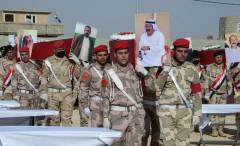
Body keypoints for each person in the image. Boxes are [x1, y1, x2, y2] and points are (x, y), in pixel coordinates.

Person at [156, 38, 202, 146]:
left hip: (184, 112)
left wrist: (197, 113)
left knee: (183, 143)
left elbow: (197, 91)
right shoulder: (164, 66)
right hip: (166, 112)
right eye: (180, 51)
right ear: (174, 51)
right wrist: (164, 72)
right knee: (167, 143)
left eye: (185, 51)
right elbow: (156, 88)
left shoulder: (191, 67)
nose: (183, 54)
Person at [102, 40, 145, 146]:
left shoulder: (137, 71)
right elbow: (105, 96)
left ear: (129, 54)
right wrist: (105, 117)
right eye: (120, 53)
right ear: (115, 55)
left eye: (125, 53)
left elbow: (152, 89)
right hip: (117, 116)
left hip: (136, 115)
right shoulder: (109, 72)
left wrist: (147, 74)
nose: (123, 56)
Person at [43, 47, 80, 126]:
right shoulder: (48, 61)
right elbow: (44, 77)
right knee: (53, 120)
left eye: (62, 49)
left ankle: (66, 138)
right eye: (59, 49)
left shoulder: (70, 61)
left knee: (66, 120)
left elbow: (77, 75)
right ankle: (55, 138)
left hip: (67, 94)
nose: (61, 51)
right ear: (54, 50)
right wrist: (43, 92)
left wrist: (78, 63)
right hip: (52, 94)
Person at [76, 44, 111, 127]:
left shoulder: (111, 68)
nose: (103, 57)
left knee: (109, 130)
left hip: (110, 104)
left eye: (105, 55)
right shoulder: (89, 70)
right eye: (100, 55)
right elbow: (84, 89)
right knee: (97, 130)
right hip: (96, 104)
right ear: (96, 56)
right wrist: (84, 106)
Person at [204, 52, 232, 137]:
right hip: (213, 94)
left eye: (220, 57)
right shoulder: (209, 67)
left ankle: (220, 130)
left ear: (222, 57)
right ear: (214, 58)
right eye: (217, 57)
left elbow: (229, 81)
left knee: (222, 113)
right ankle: (214, 130)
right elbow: (206, 81)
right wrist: (206, 94)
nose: (219, 59)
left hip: (223, 94)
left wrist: (228, 93)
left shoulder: (226, 67)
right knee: (213, 113)